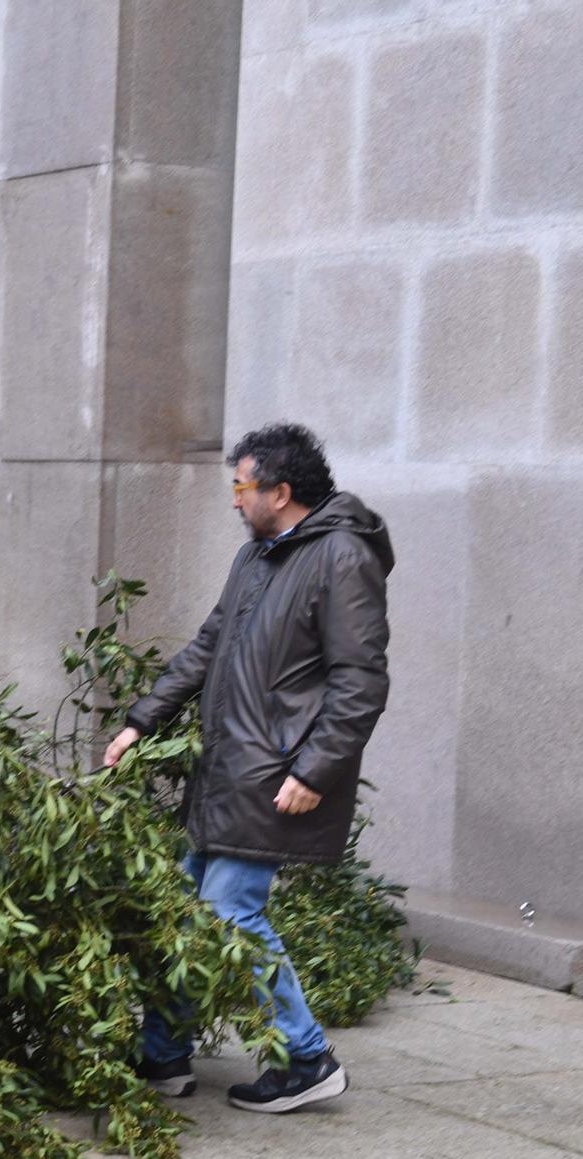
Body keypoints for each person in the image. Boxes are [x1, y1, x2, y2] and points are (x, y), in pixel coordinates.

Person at [103, 422, 392, 1113]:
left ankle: (307, 1056)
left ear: (280, 491)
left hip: (276, 773)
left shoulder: (342, 558)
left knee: (229, 910)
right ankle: (164, 1054)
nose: (234, 500)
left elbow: (361, 682)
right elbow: (206, 648)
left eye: (241, 486)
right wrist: (141, 720)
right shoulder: (258, 556)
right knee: (183, 907)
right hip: (229, 768)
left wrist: (314, 771)